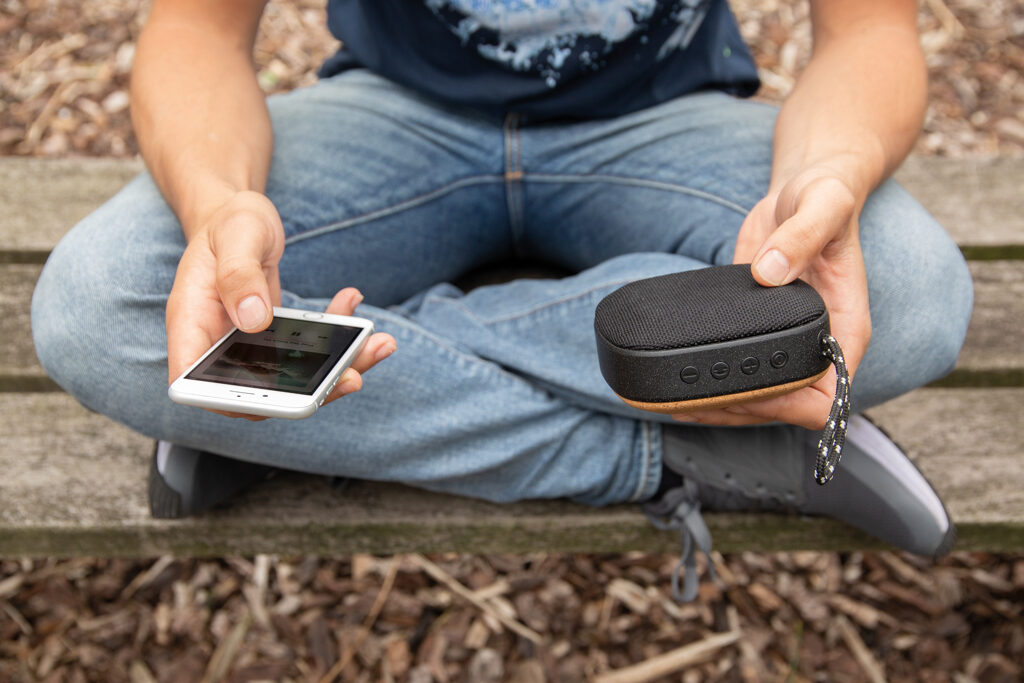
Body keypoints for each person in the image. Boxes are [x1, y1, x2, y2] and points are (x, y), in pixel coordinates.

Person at [32, 0, 973, 601]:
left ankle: (282, 411)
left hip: (662, 129)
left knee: (908, 294)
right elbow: (194, 29)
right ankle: (670, 441)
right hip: (391, 120)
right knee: (100, 303)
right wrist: (220, 204)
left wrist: (830, 172)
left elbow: (869, 32)